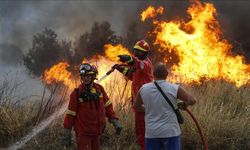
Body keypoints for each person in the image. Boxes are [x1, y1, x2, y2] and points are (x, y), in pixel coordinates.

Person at [133, 62, 196, 150]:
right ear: (167, 74)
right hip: (171, 133)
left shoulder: (144, 89)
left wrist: (150, 109)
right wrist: (184, 104)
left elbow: (136, 107)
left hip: (152, 133)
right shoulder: (174, 88)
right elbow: (192, 100)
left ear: (153, 74)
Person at [62, 63, 122, 150]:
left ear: (93, 76)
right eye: (83, 76)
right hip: (83, 134)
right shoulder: (77, 93)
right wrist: (66, 132)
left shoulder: (100, 89)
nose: (85, 78)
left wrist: (114, 120)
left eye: (88, 76)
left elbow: (108, 106)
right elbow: (70, 114)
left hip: (97, 132)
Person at [115, 40, 153, 150]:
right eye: (136, 51)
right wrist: (121, 69)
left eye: (140, 52)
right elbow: (133, 76)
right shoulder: (138, 65)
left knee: (143, 131)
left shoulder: (146, 64)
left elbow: (137, 64)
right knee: (140, 130)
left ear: (146, 53)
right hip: (139, 103)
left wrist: (129, 59)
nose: (137, 54)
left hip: (145, 104)